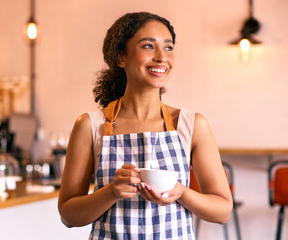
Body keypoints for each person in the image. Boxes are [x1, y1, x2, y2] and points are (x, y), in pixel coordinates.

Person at [58, 12, 232, 239]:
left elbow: (223, 211)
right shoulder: (90, 126)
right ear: (121, 57)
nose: (161, 57)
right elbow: (69, 216)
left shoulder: (191, 125)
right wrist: (111, 192)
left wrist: (181, 193)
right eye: (148, 46)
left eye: (168, 48)